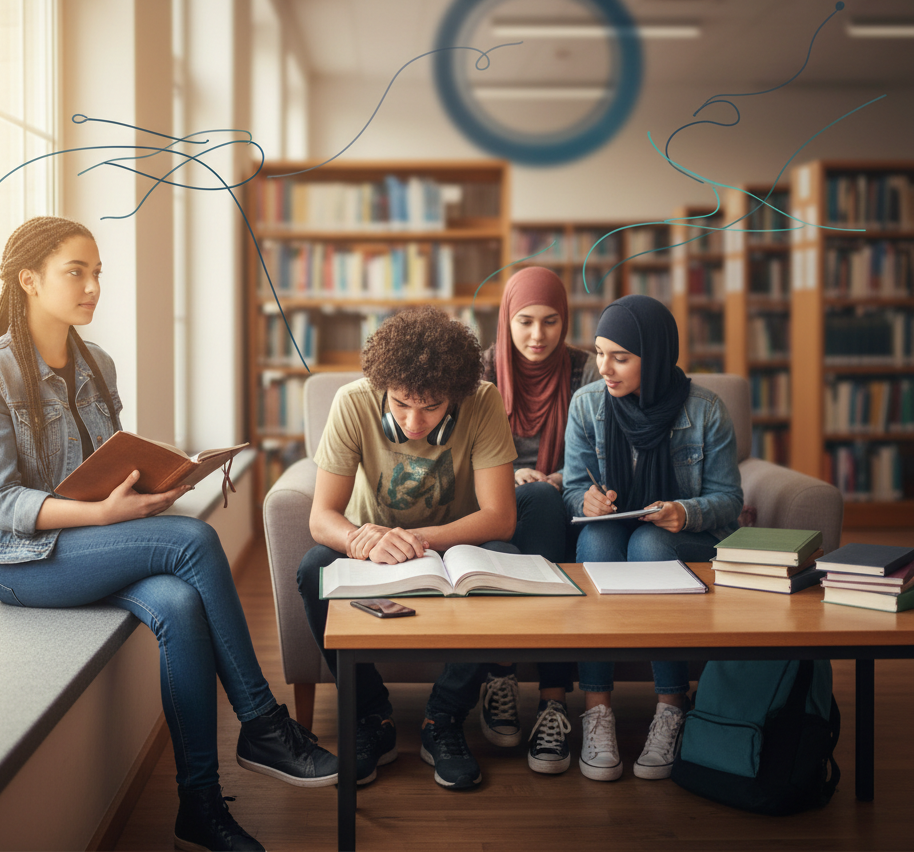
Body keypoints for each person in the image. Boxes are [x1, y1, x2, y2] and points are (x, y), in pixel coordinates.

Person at [0, 216, 336, 852]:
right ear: (29, 280)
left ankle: (200, 805)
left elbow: (107, 464)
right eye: (75, 272)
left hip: (88, 547)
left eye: (97, 271)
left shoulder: (97, 364)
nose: (93, 286)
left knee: (182, 605)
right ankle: (263, 722)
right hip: (23, 562)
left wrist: (159, 481)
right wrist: (105, 515)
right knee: (192, 540)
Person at [297, 305, 521, 791]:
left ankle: (443, 719)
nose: (414, 421)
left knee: (503, 550)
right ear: (383, 389)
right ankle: (372, 717)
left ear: (456, 396)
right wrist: (363, 539)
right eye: (400, 404)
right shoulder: (352, 402)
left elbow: (500, 516)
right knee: (313, 568)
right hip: (373, 549)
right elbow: (322, 518)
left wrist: (417, 542)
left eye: (432, 406)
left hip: (453, 548)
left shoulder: (483, 401)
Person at [563, 294, 742, 782]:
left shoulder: (705, 410)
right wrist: (586, 501)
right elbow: (573, 486)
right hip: (610, 536)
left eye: (620, 357)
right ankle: (597, 708)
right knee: (599, 542)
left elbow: (729, 500)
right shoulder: (587, 405)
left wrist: (685, 512)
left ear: (656, 356)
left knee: (649, 546)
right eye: (599, 353)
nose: (604, 368)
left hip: (683, 540)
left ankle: (671, 708)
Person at [477, 266, 597, 774]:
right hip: (497, 499)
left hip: (567, 501)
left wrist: (558, 480)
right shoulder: (479, 370)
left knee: (549, 508)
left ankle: (524, 685)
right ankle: (542, 690)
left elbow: (599, 451)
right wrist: (513, 475)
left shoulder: (587, 370)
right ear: (507, 319)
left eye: (550, 321)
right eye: (525, 321)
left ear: (564, 321)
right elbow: (465, 455)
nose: (537, 335)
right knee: (533, 510)